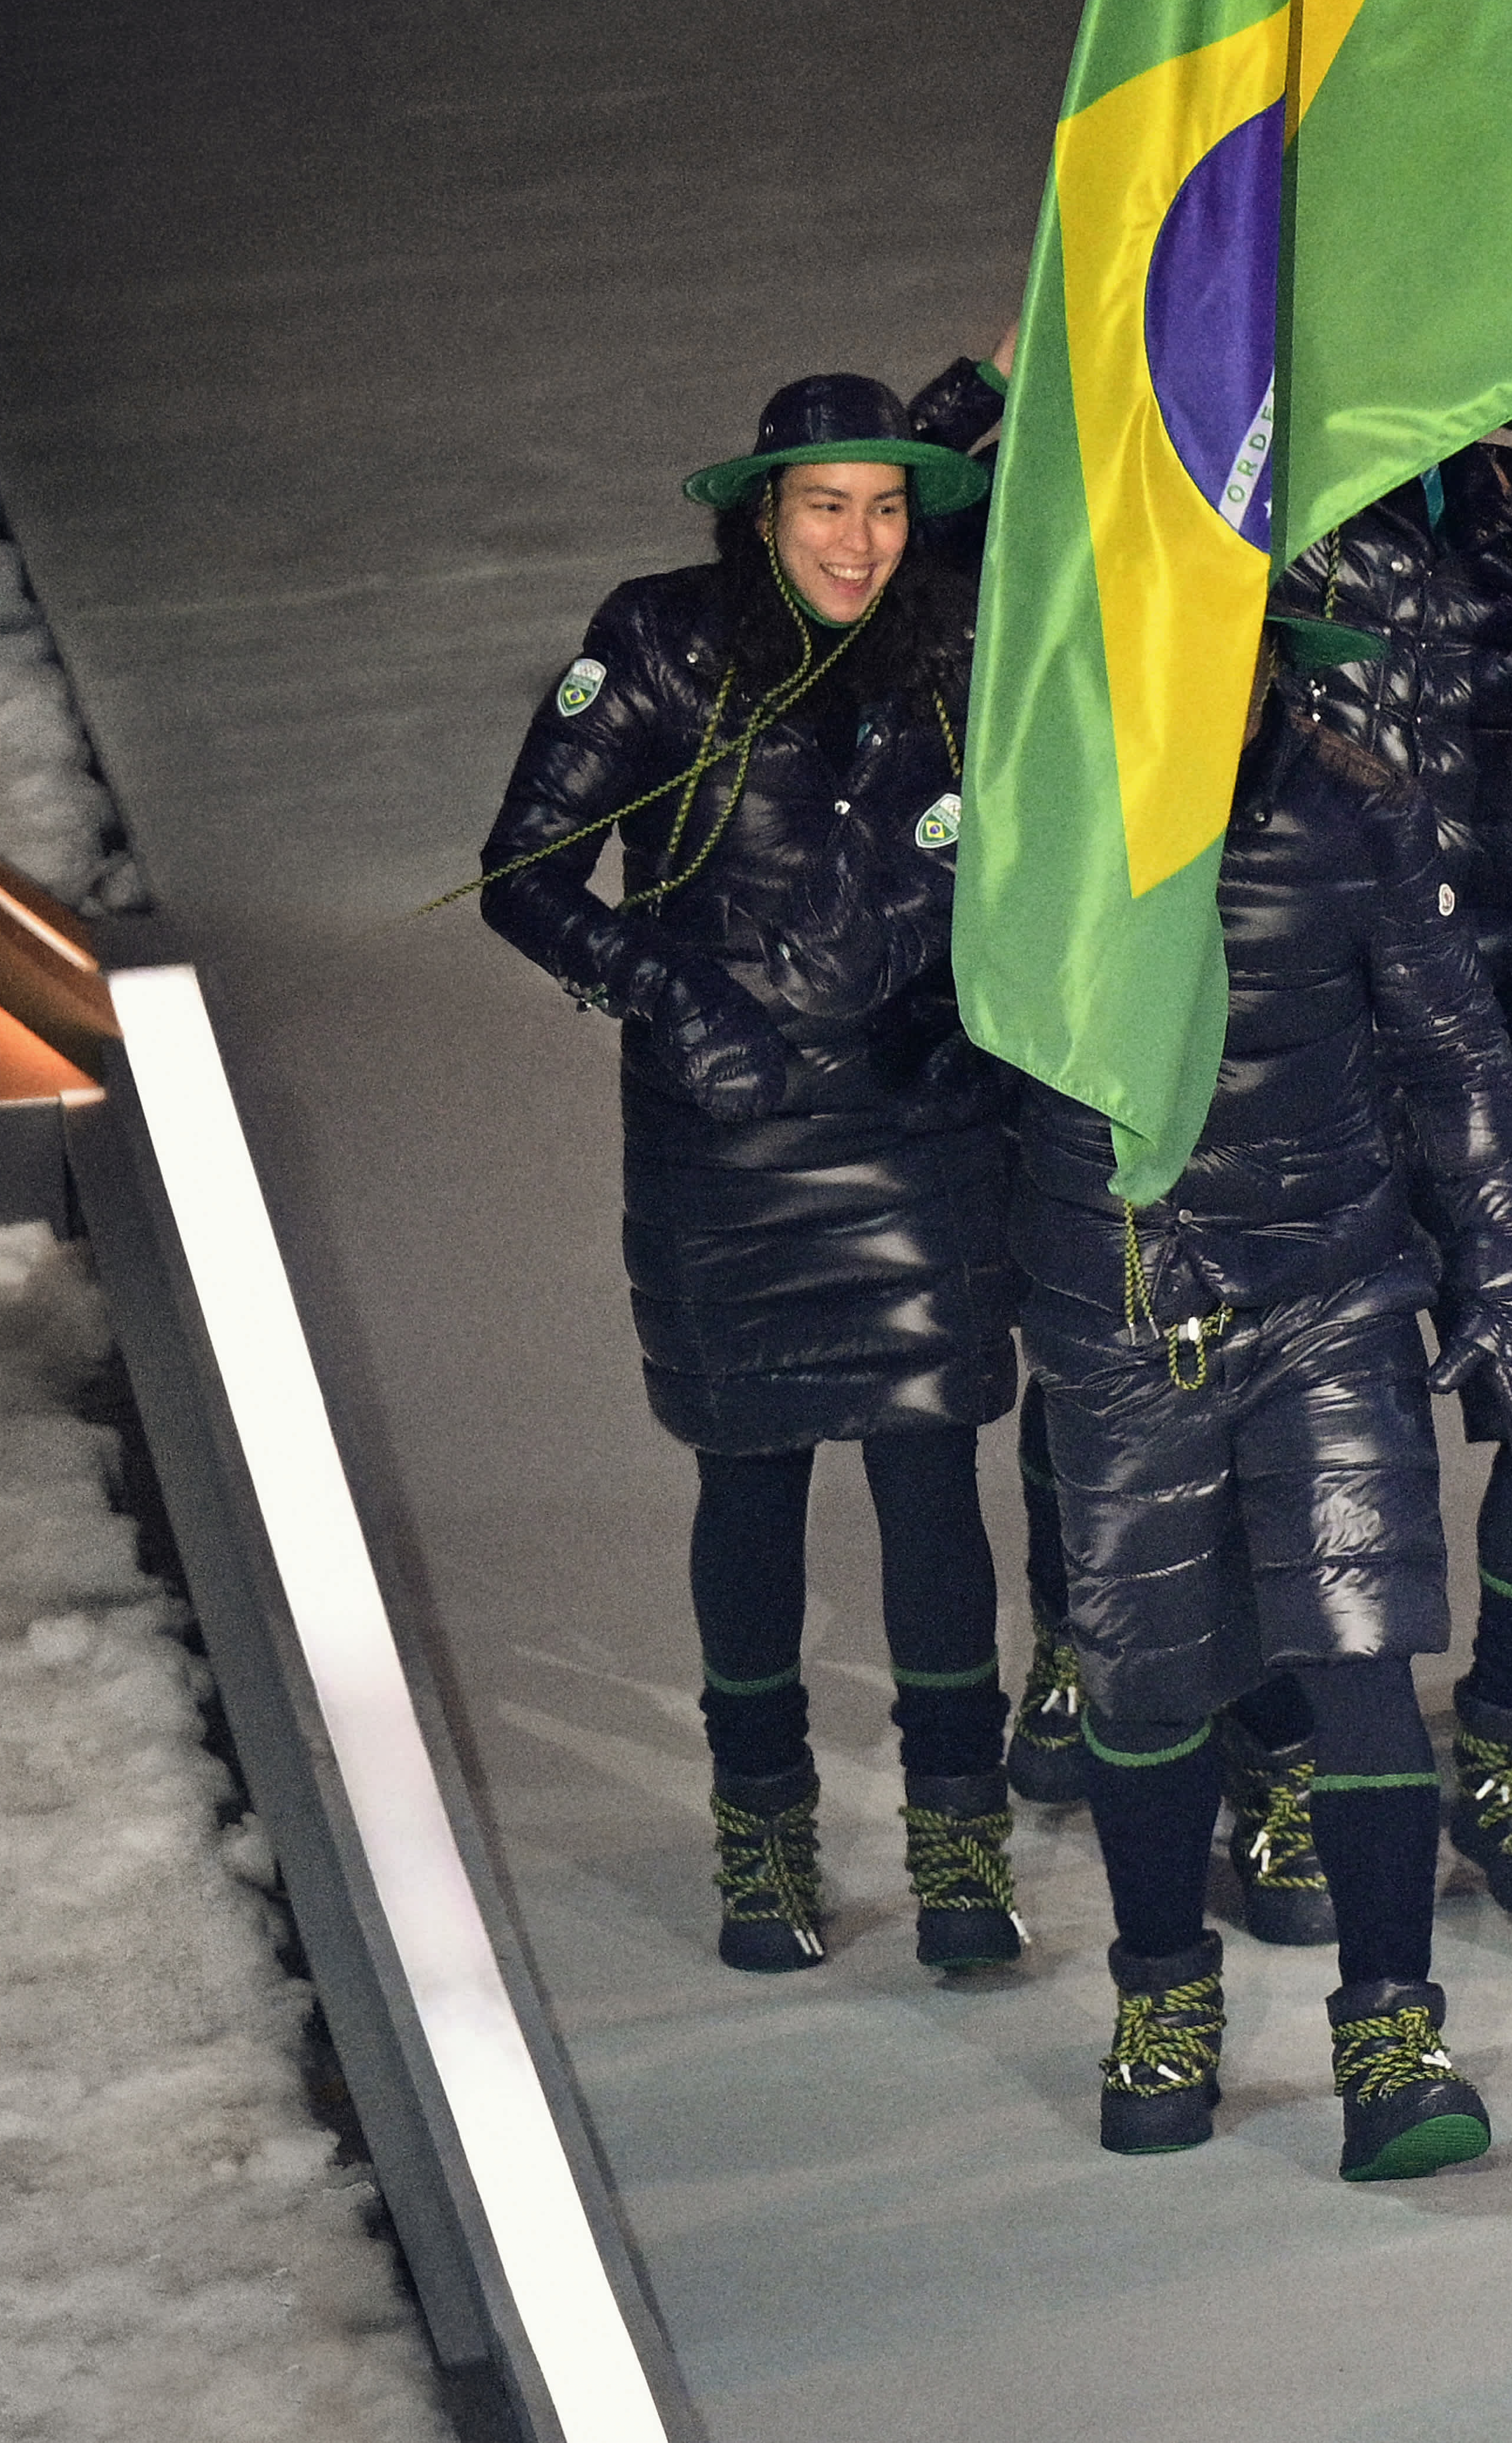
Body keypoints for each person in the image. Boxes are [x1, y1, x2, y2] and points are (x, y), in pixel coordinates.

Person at [476, 366, 1029, 1979]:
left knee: (931, 1475)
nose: (858, 541)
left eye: (887, 507)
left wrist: (967, 1000)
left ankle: (959, 1842)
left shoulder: (962, 642)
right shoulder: (660, 640)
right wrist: (672, 996)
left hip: (915, 1123)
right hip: (726, 1144)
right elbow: (525, 870)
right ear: (762, 513)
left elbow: (1042, 847)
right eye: (824, 506)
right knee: (752, 1474)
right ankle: (764, 1832)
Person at [1017, 613, 1512, 2182]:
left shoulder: (1355, 811)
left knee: (1361, 1661)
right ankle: (1163, 1997)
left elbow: (1456, 1054)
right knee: (1145, 1683)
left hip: (1332, 1293)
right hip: (1127, 1308)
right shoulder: (1031, 809)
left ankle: (1392, 2032)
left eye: (1239, 652)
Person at [1279, 443, 1512, 1918]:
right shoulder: (1259, 483)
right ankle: (1300, 1760)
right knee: (1302, 1417)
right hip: (1325, 1020)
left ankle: (1510, 1747)